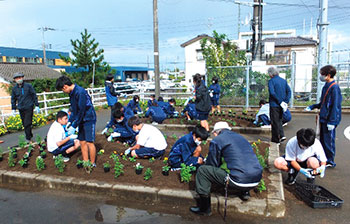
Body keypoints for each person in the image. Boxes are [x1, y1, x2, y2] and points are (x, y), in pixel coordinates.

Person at [190, 122, 262, 216]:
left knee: (203, 171)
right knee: (241, 165)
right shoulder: (241, 137)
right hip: (256, 179)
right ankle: (245, 192)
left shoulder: (218, 140)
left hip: (238, 181)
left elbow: (212, 164)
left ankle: (205, 208)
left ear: (216, 132)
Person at [55, 76, 97, 170]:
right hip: (81, 119)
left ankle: (92, 163)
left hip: (88, 118)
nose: (63, 92)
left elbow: (81, 110)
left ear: (65, 86)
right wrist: (70, 121)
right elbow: (74, 109)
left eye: (62, 90)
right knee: (82, 141)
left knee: (89, 142)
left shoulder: (80, 92)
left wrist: (74, 125)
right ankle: (86, 162)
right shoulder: (72, 93)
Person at [305, 65, 342, 167]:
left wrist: (332, 121)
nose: (321, 76)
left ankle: (330, 161)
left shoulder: (334, 88)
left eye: (322, 74)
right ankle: (323, 158)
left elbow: (335, 106)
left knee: (328, 141)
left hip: (329, 119)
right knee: (322, 140)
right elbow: (323, 103)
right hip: (324, 118)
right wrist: (313, 106)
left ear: (328, 75)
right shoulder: (327, 86)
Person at [11, 72, 40, 142]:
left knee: (27, 122)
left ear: (22, 78)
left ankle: (28, 138)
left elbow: (33, 95)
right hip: (21, 108)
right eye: (17, 78)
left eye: (20, 78)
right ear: (15, 80)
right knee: (25, 123)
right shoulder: (14, 89)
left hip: (29, 106)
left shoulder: (28, 86)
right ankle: (29, 135)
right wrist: (13, 108)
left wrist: (37, 105)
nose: (18, 79)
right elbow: (13, 99)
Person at [267, 67, 291, 143]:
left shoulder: (271, 81)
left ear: (271, 74)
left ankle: (276, 139)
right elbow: (289, 91)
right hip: (282, 105)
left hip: (274, 104)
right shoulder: (283, 81)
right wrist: (285, 101)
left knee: (274, 121)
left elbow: (272, 93)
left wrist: (279, 101)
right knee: (279, 120)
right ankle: (282, 135)